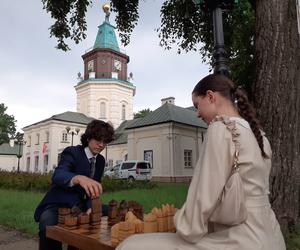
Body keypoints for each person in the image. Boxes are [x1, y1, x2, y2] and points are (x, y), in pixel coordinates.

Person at [116, 74, 286, 250]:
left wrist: (183, 224)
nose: (197, 113)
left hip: (241, 238)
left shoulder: (221, 128)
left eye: (197, 105)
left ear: (211, 96)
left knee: (130, 245)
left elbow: (204, 195)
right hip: (271, 235)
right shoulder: (258, 135)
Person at [34, 119, 114, 250]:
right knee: (46, 224)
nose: (101, 145)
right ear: (88, 138)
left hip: (80, 206)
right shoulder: (72, 152)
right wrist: (78, 178)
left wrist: (90, 206)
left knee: (112, 211)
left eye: (105, 142)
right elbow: (58, 175)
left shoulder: (100, 160)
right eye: (98, 140)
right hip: (59, 204)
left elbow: (92, 190)